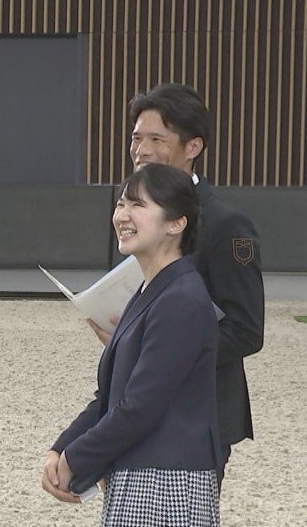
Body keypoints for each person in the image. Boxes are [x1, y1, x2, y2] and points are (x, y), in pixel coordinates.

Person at [43, 163, 225, 527]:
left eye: (137, 205)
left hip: (166, 486)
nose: (122, 215)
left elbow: (139, 406)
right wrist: (60, 448)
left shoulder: (182, 298)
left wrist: (76, 460)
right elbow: (110, 396)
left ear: (176, 223)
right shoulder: (151, 292)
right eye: (121, 203)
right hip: (143, 478)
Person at [89, 82, 265, 465]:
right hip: (134, 403)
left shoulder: (226, 225)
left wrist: (159, 350)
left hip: (198, 416)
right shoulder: (132, 214)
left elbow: (246, 330)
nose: (142, 150)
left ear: (193, 147)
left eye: (157, 139)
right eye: (136, 138)